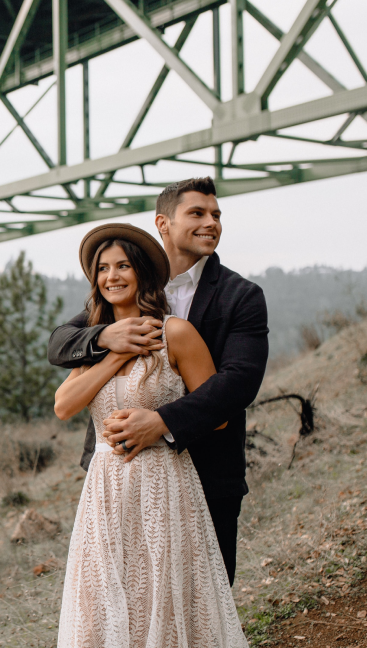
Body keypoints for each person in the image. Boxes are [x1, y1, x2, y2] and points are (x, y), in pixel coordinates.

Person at [48, 177, 269, 586]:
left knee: (201, 593)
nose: (211, 223)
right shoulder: (125, 286)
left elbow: (238, 382)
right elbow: (60, 344)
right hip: (119, 474)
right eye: (197, 213)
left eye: (216, 214)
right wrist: (106, 338)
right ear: (163, 223)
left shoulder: (241, 296)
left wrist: (162, 422)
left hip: (209, 470)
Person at [54, 224, 248, 647]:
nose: (112, 276)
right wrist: (113, 352)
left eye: (123, 265)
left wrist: (159, 423)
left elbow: (217, 415)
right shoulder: (96, 339)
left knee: (163, 591)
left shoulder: (175, 333)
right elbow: (64, 405)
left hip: (164, 483)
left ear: (141, 271)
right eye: (103, 269)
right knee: (103, 595)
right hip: (105, 488)